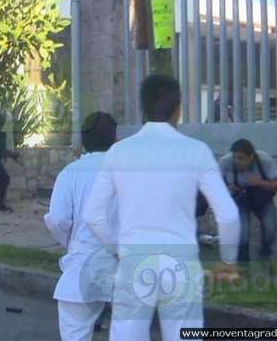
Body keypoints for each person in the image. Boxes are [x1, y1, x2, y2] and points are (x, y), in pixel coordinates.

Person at [84, 75, 241, 341]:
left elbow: (93, 217)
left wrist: (118, 249)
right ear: (178, 109)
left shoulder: (119, 152)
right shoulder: (196, 151)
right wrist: (228, 260)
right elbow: (228, 215)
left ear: (143, 108)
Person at [44, 112, 119, 341]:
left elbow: (57, 219)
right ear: (115, 139)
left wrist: (71, 242)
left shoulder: (70, 173)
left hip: (81, 268)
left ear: (83, 141)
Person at [219, 139, 277, 263]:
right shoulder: (225, 162)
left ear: (251, 157)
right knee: (242, 232)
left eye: (241, 158)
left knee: (270, 226)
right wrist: (228, 189)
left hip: (261, 198)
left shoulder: (264, 161)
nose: (237, 162)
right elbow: (215, 184)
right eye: (235, 158)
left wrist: (260, 182)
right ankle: (243, 263)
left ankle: (265, 253)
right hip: (240, 199)